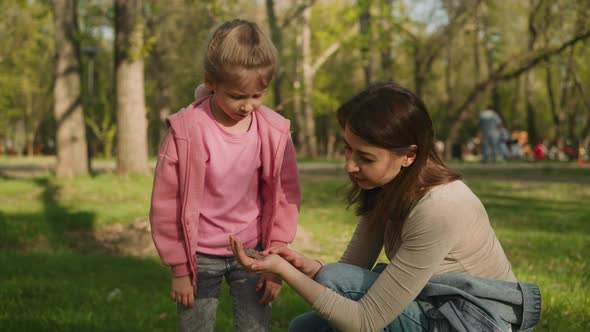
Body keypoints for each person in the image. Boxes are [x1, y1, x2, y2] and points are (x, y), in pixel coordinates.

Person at [230, 82, 541, 332]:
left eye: (365, 158)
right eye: (348, 149)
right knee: (304, 327)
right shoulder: (387, 187)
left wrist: (284, 271)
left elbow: (363, 321)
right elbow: (347, 272)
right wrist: (303, 265)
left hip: (475, 322)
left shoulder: (440, 208)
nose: (349, 166)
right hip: (435, 307)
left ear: (408, 155)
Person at [150, 19, 301, 332]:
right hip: (198, 256)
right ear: (211, 82)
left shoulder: (273, 132)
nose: (247, 106)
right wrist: (179, 268)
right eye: (237, 96)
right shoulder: (186, 130)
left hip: (253, 250)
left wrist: (275, 262)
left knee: (255, 327)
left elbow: (286, 197)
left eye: (257, 95)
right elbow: (165, 203)